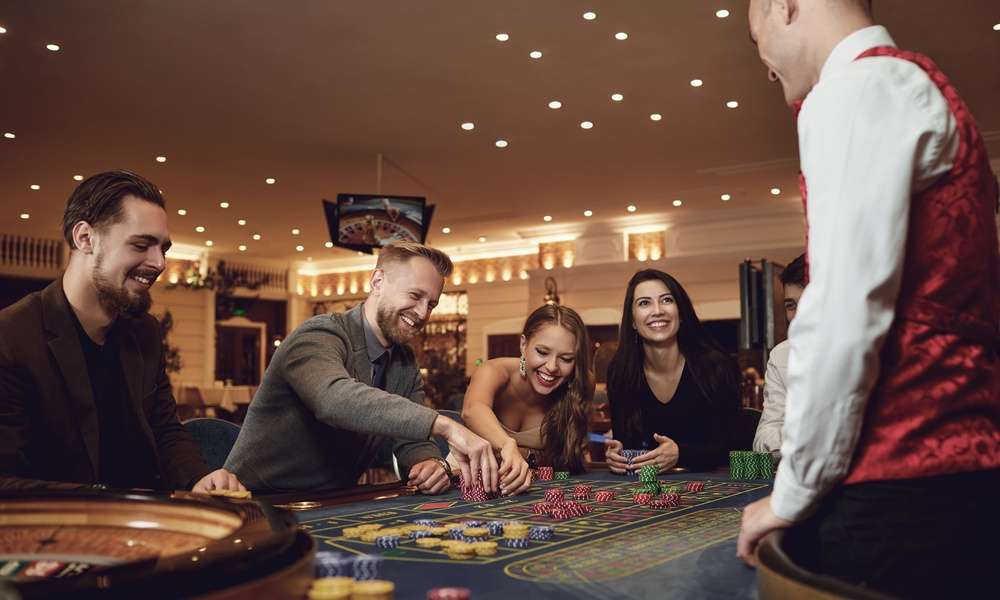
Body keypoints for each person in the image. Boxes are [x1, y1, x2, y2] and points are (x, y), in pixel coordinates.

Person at [739, 2, 999, 597]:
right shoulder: (906, 80)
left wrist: (793, 491)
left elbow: (842, 315)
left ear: (786, 6)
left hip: (900, 483)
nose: (763, 64)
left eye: (756, 39)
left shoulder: (858, 87)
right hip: (954, 470)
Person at [0, 170, 244, 494]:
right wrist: (112, 503)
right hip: (60, 532)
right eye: (141, 245)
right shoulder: (12, 337)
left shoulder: (146, 332)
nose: (159, 263)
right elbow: (6, 480)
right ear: (85, 238)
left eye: (163, 248)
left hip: (152, 523)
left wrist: (198, 479)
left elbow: (165, 431)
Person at [225, 242, 496, 494]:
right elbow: (333, 399)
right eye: (415, 295)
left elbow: (411, 438)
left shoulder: (404, 360)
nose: (423, 313)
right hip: (257, 500)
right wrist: (447, 426)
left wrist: (428, 463)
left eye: (431, 304)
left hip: (333, 499)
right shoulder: (318, 334)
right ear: (377, 281)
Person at [604, 270, 740, 474]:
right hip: (651, 490)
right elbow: (627, 445)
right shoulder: (621, 371)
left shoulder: (717, 366)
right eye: (644, 303)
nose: (657, 310)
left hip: (715, 487)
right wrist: (617, 456)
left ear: (681, 312)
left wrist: (680, 453)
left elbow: (736, 447)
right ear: (632, 320)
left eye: (666, 300)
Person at [460, 304, 594, 496]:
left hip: (535, 489)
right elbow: (472, 410)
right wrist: (508, 445)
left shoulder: (581, 382)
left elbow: (571, 458)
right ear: (524, 345)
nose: (552, 367)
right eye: (542, 352)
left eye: (566, 358)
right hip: (467, 479)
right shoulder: (494, 371)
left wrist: (526, 455)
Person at [752, 253, 806, 455]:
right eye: (791, 305)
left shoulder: (869, 349)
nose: (799, 314)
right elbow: (763, 439)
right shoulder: (781, 356)